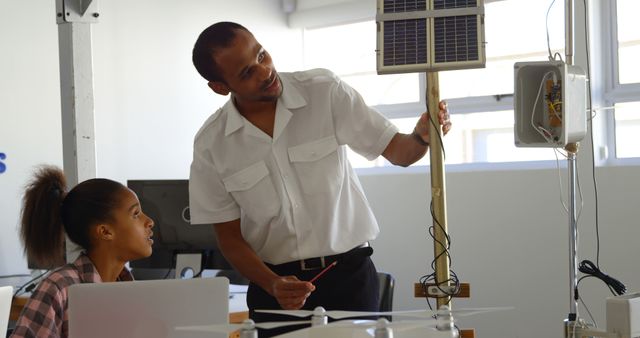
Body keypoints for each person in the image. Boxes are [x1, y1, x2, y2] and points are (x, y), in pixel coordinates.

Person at [189, 22, 451, 336]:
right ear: (220, 86)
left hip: (348, 279)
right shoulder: (212, 143)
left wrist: (422, 137)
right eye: (247, 72)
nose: (264, 71)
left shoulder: (323, 91)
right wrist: (271, 282)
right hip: (274, 289)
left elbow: (400, 152)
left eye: (262, 55)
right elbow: (229, 237)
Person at [11, 166, 155, 338]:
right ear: (105, 232)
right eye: (136, 214)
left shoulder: (131, 291)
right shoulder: (60, 287)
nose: (150, 221)